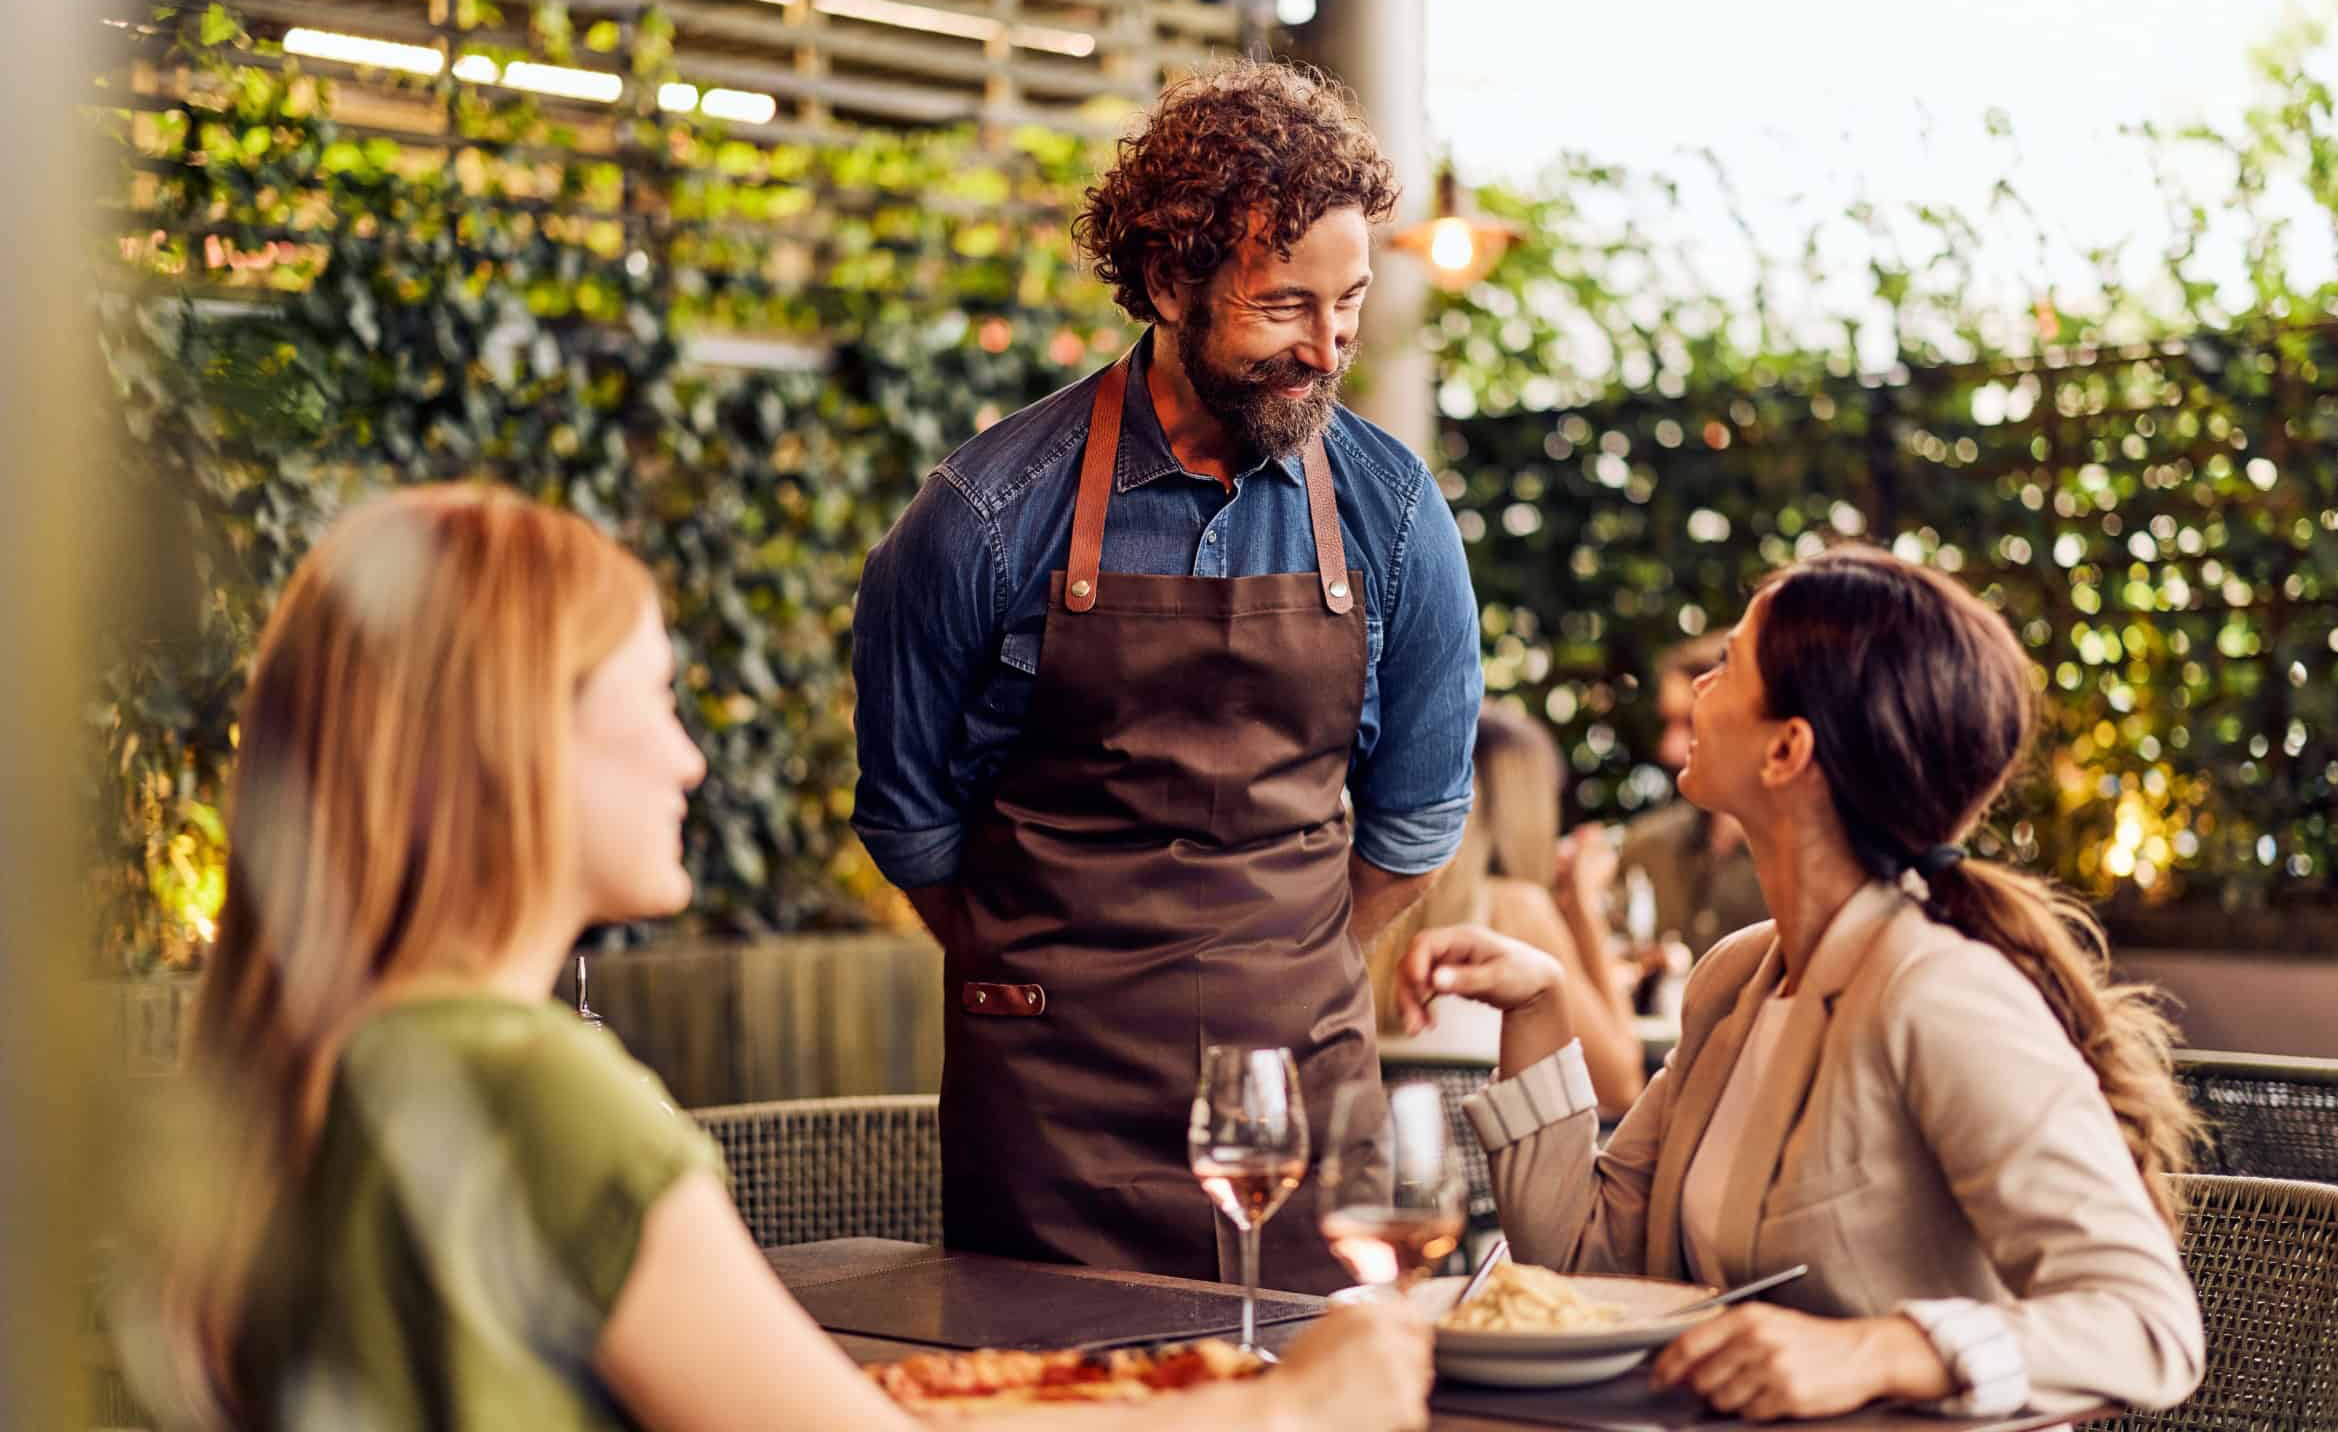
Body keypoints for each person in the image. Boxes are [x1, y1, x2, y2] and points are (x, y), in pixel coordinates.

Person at [129, 485, 1432, 1432]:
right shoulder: (534, 1095)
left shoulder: (324, 1069)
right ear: (517, 749)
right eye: (653, 700)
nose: (693, 758)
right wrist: (1291, 1416)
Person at [850, 62, 1480, 1293]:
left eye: (1347, 302)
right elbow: (910, 819)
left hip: (1296, 1106)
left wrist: (1279, 963)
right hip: (1048, 1112)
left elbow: (1415, 819)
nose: (1327, 347)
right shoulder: (982, 519)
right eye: (1282, 306)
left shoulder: (1396, 516)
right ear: (1162, 285)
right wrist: (1034, 979)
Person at [1396, 546, 2204, 1420]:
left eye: (1728, 667)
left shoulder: (1938, 990)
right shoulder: (1740, 978)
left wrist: (1880, 1349)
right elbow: (1584, 1263)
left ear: (1787, 748)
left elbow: (2149, 1324)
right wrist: (1541, 1007)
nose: (1700, 691)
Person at [1376, 703, 1645, 1115]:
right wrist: (1585, 905)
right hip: (1486, 1177)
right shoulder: (1517, 910)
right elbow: (1623, 1086)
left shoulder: (1377, 906)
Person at [1617, 632, 1767, 968]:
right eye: (1668, 723)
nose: (1669, 750)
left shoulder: (1807, 861)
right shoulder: (1647, 845)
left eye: (1691, 722)